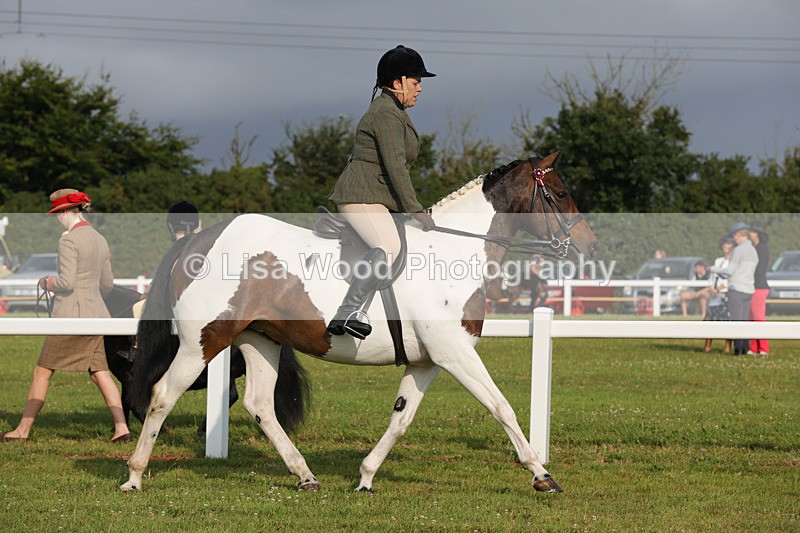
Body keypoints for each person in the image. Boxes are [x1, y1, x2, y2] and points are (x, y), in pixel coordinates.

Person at [1, 189, 131, 442]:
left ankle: (22, 431)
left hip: (71, 316)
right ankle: (122, 429)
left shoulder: (68, 241)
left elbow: (66, 282)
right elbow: (106, 284)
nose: (57, 219)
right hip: (98, 315)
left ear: (65, 212)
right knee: (99, 372)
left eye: (57, 214)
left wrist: (47, 282)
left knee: (42, 371)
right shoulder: (100, 239)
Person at [325, 45, 436, 339]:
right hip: (359, 195)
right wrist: (415, 208)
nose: (420, 89)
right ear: (397, 83)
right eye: (416, 82)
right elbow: (396, 166)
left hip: (375, 196)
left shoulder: (395, 112)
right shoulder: (386, 113)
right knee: (387, 245)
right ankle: (348, 311)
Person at [709, 222, 758, 355]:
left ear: (738, 235)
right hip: (749, 289)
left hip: (737, 288)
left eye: (735, 236)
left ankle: (738, 349)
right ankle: (745, 347)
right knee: (744, 319)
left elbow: (730, 271)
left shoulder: (739, 250)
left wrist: (713, 269)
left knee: (736, 320)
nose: (734, 239)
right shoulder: (753, 251)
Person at [704, 238, 734, 353]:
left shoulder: (733, 261)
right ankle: (708, 344)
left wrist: (718, 289)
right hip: (714, 295)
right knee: (710, 319)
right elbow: (712, 276)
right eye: (724, 244)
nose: (726, 246)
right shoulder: (718, 260)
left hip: (725, 293)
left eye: (729, 244)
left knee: (727, 320)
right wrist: (710, 288)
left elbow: (731, 277)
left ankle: (727, 346)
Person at [748, 227, 770, 355]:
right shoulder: (756, 248)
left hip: (759, 287)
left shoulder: (762, 248)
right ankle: (754, 347)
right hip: (754, 286)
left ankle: (763, 348)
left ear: (756, 233)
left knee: (758, 318)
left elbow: (759, 269)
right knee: (751, 318)